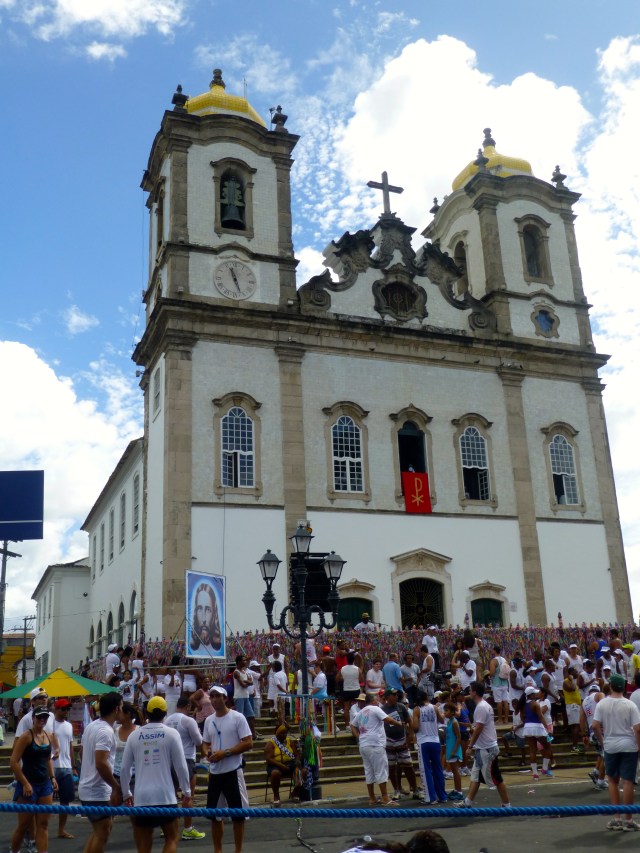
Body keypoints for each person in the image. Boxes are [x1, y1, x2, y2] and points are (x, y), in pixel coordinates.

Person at [120, 696, 192, 853]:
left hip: (142, 797)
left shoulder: (134, 735)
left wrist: (126, 794)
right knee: (172, 838)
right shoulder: (172, 734)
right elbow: (181, 766)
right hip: (165, 795)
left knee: (144, 845)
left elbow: (124, 768)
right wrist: (187, 791)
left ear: (146, 712)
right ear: (165, 713)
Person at [202, 685, 253, 853]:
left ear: (225, 698)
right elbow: (205, 742)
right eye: (212, 696)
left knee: (238, 816)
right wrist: (207, 752)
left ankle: (238, 850)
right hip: (215, 773)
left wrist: (226, 753)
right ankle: (218, 850)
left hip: (233, 771)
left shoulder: (237, 717)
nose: (215, 699)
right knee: (215, 816)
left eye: (218, 696)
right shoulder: (209, 720)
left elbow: (248, 742)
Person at [592, 672, 640, 831]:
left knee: (612, 780)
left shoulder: (602, 704)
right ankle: (629, 819)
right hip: (628, 745)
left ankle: (617, 818)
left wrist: (602, 740)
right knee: (628, 781)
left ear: (611, 686)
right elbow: (637, 729)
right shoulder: (629, 704)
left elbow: (595, 725)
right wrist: (638, 746)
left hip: (611, 744)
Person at [78, 691, 123, 853]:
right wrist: (115, 786)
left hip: (89, 787)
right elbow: (101, 763)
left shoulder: (92, 726)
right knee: (103, 831)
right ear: (117, 708)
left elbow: (82, 753)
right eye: (122, 706)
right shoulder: (106, 731)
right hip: (96, 791)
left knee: (100, 831)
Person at [10, 706, 58, 853]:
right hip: (28, 784)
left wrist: (52, 777)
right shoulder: (26, 736)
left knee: (43, 824)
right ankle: (14, 851)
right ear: (33, 718)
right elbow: (13, 761)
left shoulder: (48, 736)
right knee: (24, 824)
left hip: (44, 785)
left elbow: (47, 759)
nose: (42, 720)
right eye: (39, 717)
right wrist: (24, 783)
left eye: (45, 717)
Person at [456, 681, 511, 809]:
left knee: (496, 778)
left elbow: (479, 728)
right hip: (483, 748)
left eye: (470, 690)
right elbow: (478, 727)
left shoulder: (481, 707)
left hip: (488, 748)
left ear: (474, 692)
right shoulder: (484, 706)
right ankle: (468, 802)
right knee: (475, 776)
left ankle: (507, 804)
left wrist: (470, 746)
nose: (469, 693)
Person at [165, 695, 206, 840]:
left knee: (170, 795)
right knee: (188, 795)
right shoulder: (189, 721)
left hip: (169, 761)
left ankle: (167, 827)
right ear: (188, 706)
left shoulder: (167, 720)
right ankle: (188, 829)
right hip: (186, 759)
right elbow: (198, 741)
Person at [350, 693, 403, 806]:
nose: (378, 701)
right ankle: (384, 797)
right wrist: (398, 723)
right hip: (375, 743)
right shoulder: (375, 709)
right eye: (376, 699)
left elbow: (352, 725)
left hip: (364, 744)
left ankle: (372, 797)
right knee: (381, 770)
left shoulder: (361, 711)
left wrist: (358, 737)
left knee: (369, 771)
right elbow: (387, 719)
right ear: (373, 701)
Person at [381, 688, 420, 800]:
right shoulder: (382, 709)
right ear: (387, 697)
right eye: (393, 695)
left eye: (396, 695)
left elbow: (409, 721)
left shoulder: (401, 707)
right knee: (392, 767)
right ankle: (396, 790)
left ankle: (415, 789)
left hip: (402, 738)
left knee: (408, 765)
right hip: (389, 740)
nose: (396, 696)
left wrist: (411, 735)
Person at [412, 688, 446, 805]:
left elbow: (415, 728)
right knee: (438, 769)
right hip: (435, 740)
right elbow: (442, 719)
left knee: (426, 770)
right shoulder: (434, 707)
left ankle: (431, 797)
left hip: (423, 741)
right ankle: (442, 795)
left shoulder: (417, 710)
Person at [52, 698, 76, 840]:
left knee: (65, 801)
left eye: (68, 709)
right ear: (56, 709)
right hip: (53, 766)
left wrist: (73, 766)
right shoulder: (50, 724)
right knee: (45, 802)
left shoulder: (69, 725)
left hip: (66, 767)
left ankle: (61, 830)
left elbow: (71, 746)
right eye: (63, 709)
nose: (66, 711)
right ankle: (38, 830)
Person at [264, 722, 304, 805]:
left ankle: (294, 793)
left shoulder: (289, 741)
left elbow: (296, 754)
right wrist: (281, 765)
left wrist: (297, 763)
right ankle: (276, 796)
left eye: (285, 733)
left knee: (303, 772)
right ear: (277, 734)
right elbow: (269, 759)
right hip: (275, 765)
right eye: (282, 733)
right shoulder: (271, 743)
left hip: (290, 764)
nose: (284, 735)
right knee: (275, 773)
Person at [520, 685, 552, 781]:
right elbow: (541, 717)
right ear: (532, 695)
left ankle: (535, 774)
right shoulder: (535, 704)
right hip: (538, 727)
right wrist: (547, 728)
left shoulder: (523, 705)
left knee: (532, 750)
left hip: (527, 728)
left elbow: (522, 718)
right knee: (548, 746)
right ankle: (544, 769)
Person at [190, 581, 222, 654]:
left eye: (208, 610)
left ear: (214, 614)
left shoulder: (219, 652)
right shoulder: (191, 651)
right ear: (195, 612)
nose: (203, 619)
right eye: (200, 609)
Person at [233, 654, 257, 738]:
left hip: (246, 696)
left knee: (251, 716)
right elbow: (243, 684)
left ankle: (253, 735)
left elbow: (251, 683)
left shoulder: (244, 672)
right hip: (239, 697)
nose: (245, 662)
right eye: (243, 660)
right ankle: (239, 736)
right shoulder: (236, 672)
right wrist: (247, 682)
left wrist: (246, 682)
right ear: (239, 662)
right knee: (240, 717)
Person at [338, 651, 363, 725]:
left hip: (346, 690)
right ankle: (358, 723)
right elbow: (361, 680)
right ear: (354, 660)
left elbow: (337, 678)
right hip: (356, 690)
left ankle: (347, 725)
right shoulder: (357, 669)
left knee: (346, 708)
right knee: (358, 706)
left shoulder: (342, 669)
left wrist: (344, 678)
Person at [489, 646, 510, 724]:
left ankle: (500, 719)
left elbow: (492, 673)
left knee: (499, 702)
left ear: (494, 651)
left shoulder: (493, 661)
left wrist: (489, 675)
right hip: (504, 682)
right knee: (505, 701)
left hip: (497, 683)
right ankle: (506, 719)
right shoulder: (504, 660)